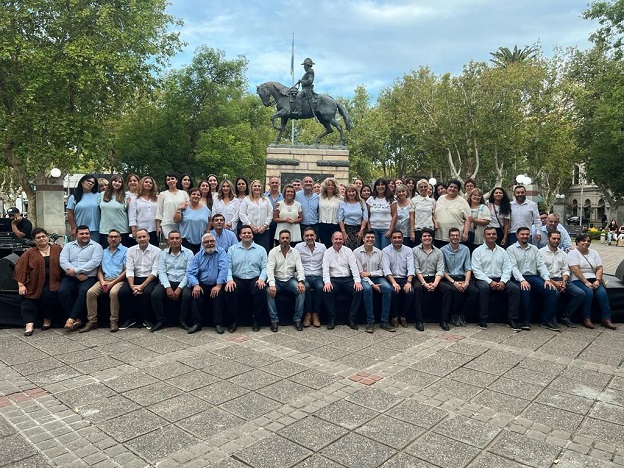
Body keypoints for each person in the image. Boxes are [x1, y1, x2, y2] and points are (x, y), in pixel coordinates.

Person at [507, 227, 560, 331]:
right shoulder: (510, 249)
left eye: (527, 234)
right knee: (525, 289)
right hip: (518, 277)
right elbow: (513, 267)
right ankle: (525, 320)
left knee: (551, 290)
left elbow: (541, 265)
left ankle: (547, 320)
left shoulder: (534, 249)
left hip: (534, 277)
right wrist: (522, 280)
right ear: (517, 236)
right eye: (522, 234)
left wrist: (547, 279)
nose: (525, 236)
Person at [13, 228, 62, 336]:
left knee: (49, 296)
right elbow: (20, 268)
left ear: (47, 237)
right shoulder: (29, 253)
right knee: (28, 299)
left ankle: (47, 319)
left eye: (43, 236)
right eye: (38, 237)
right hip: (33, 282)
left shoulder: (57, 249)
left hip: (53, 282)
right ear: (34, 240)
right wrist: (21, 285)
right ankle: (29, 325)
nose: (42, 239)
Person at [472, 226, 521, 330]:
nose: (491, 236)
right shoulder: (477, 251)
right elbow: (477, 271)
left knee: (515, 289)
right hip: (484, 279)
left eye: (493, 234)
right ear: (484, 236)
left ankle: (512, 319)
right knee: (484, 288)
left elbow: (507, 268)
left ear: (497, 236)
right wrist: (490, 282)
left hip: (500, 278)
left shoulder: (502, 251)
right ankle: (483, 319)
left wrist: (503, 281)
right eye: (489, 234)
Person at [82, 229, 128, 333]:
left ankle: (114, 321)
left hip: (119, 280)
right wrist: (102, 281)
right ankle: (92, 321)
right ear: (107, 239)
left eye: (116, 237)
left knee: (113, 293)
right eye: (111, 237)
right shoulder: (103, 252)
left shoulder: (126, 251)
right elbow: (99, 269)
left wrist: (112, 283)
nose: (113, 239)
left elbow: (126, 270)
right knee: (91, 293)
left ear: (120, 239)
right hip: (104, 279)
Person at [568, 233, 617, 330]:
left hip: (594, 278)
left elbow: (599, 268)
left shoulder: (594, 253)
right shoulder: (573, 253)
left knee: (602, 294)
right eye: (583, 240)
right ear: (577, 242)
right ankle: (587, 318)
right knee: (588, 292)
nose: (586, 242)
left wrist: (598, 280)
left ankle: (606, 319)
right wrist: (586, 282)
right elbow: (575, 269)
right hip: (578, 279)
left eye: (588, 241)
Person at [59, 226, 103, 330]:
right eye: (82, 234)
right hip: (71, 276)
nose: (85, 236)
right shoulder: (69, 246)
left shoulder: (96, 246)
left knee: (84, 291)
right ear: (76, 235)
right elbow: (63, 261)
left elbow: (94, 263)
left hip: (88, 277)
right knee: (62, 292)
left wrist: (76, 271)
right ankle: (77, 319)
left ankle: (71, 319)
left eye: (87, 233)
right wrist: (76, 274)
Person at [224, 226, 268, 331]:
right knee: (230, 290)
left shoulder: (261, 249)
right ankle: (234, 320)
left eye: (249, 233)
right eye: (244, 233)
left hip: (254, 278)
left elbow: (265, 267)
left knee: (261, 290)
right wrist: (229, 280)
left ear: (252, 235)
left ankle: (256, 320)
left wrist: (261, 279)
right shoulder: (232, 249)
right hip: (237, 278)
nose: (247, 235)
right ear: (240, 236)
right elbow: (228, 267)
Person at [538, 231, 585, 328]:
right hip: (546, 279)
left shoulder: (563, 254)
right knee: (554, 293)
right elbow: (539, 271)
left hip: (561, 279)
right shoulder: (540, 252)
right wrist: (554, 283)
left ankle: (565, 316)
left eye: (558, 239)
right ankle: (548, 319)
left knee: (580, 294)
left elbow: (566, 270)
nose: (556, 241)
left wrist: (563, 282)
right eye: (554, 238)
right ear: (548, 239)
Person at [151, 230, 194, 332]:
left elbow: (189, 273)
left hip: (183, 281)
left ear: (181, 240)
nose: (175, 240)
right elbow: (161, 272)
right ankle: (161, 320)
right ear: (168, 241)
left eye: (177, 238)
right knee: (155, 295)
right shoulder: (163, 254)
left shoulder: (189, 253)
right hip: (168, 280)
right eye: (172, 238)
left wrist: (179, 288)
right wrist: (167, 287)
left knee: (187, 295)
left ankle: (182, 320)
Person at [184, 232, 228, 334]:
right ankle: (197, 323)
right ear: (202, 244)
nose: (209, 243)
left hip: (217, 283)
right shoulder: (198, 255)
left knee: (218, 295)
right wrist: (195, 285)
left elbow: (224, 269)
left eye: (212, 241)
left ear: (215, 242)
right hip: (202, 283)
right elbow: (190, 272)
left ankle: (218, 323)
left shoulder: (221, 252)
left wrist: (218, 285)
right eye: (206, 242)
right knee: (196, 294)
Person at [118, 228, 160, 329]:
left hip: (150, 278)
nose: (142, 239)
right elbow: (129, 269)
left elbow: (155, 271)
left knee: (147, 292)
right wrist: (132, 286)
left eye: (144, 236)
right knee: (123, 292)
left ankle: (146, 319)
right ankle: (129, 319)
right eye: (139, 237)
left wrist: (142, 286)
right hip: (134, 277)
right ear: (136, 239)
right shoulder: (130, 250)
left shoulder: (157, 251)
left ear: (149, 237)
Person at [413, 228, 452, 331]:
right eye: (424, 236)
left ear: (432, 237)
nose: (427, 238)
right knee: (417, 288)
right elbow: (416, 269)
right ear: (420, 238)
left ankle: (444, 320)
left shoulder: (438, 252)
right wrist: (424, 283)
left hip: (434, 277)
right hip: (420, 278)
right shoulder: (414, 250)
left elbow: (440, 270)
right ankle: (419, 320)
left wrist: (435, 284)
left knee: (448, 289)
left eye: (429, 236)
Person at [322, 231, 363, 330]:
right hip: (334, 280)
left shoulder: (348, 251)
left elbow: (354, 267)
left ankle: (351, 319)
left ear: (343, 240)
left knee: (359, 290)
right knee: (327, 290)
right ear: (332, 240)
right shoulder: (327, 252)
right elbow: (325, 269)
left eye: (340, 239)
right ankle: (331, 318)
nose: (338, 241)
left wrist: (357, 281)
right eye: (336, 239)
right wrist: (327, 282)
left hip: (347, 279)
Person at [267, 230, 306, 331]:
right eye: (283, 238)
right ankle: (274, 321)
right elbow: (270, 269)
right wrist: (272, 284)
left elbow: (300, 268)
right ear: (279, 239)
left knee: (301, 290)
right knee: (268, 291)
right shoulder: (273, 252)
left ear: (290, 239)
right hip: (277, 280)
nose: (285, 240)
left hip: (290, 280)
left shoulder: (295, 252)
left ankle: (297, 319)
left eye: (287, 238)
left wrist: (301, 281)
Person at [354, 231, 392, 333]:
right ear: (363, 239)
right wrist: (372, 284)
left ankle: (384, 321)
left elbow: (382, 270)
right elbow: (360, 273)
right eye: (368, 237)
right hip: (363, 279)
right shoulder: (356, 252)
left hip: (377, 277)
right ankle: (370, 322)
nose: (370, 239)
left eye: (372, 237)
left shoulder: (379, 252)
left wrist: (370, 273)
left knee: (388, 288)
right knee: (367, 289)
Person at [440, 227, 479, 327]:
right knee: (454, 290)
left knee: (475, 292)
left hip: (463, 277)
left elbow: (468, 268)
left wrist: (466, 282)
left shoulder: (465, 249)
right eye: (452, 235)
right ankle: (454, 316)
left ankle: (462, 314)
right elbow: (442, 270)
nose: (455, 237)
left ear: (460, 237)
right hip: (449, 278)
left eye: (457, 235)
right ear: (449, 237)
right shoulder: (443, 250)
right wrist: (454, 283)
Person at [382, 230, 415, 332]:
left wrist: (408, 282)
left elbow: (411, 268)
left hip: (404, 278)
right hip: (391, 278)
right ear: (391, 239)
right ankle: (394, 316)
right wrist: (394, 283)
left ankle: (403, 316)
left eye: (399, 237)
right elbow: (386, 269)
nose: (397, 239)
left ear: (403, 239)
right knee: (393, 290)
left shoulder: (408, 250)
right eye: (394, 238)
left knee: (410, 292)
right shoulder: (386, 250)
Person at [294, 226, 326, 327]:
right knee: (306, 287)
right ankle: (307, 314)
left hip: (318, 275)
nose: (309, 237)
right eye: (307, 236)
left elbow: (325, 263)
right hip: (305, 275)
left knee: (320, 287)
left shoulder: (322, 247)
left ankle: (315, 314)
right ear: (303, 237)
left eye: (311, 235)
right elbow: (295, 263)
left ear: (315, 236)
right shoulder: (298, 247)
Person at [434, 179, 471, 248]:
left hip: (455, 237)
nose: (452, 189)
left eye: (455, 187)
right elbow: (433, 213)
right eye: (451, 187)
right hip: (439, 236)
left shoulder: (462, 202)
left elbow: (468, 219)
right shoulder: (440, 198)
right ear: (447, 188)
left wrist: (465, 233)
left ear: (458, 190)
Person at [239, 180, 273, 252]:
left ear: (261, 188)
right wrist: (252, 226)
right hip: (249, 231)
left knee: (263, 251)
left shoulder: (266, 200)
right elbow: (242, 214)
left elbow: (270, 214)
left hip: (264, 231)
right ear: (251, 188)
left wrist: (265, 226)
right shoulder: (246, 199)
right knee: (249, 251)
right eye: (255, 186)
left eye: (259, 186)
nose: (257, 187)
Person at [98, 174, 131, 248]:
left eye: (120, 182)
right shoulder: (101, 195)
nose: (117, 183)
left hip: (122, 230)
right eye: (115, 181)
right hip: (105, 230)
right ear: (111, 182)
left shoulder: (126, 196)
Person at [174, 187, 211, 253]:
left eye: (198, 195)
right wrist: (179, 209)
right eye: (193, 194)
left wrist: (207, 230)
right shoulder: (184, 208)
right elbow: (176, 220)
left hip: (202, 241)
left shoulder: (206, 209)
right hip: (185, 240)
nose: (196, 196)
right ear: (189, 196)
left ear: (200, 197)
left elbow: (210, 221)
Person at [67, 174, 100, 242]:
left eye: (92, 182)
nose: (90, 183)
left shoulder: (99, 196)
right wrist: (73, 228)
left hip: (96, 230)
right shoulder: (74, 197)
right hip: (80, 230)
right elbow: (70, 213)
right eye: (88, 181)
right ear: (82, 182)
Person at [156, 173, 189, 239]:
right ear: (166, 182)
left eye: (172, 179)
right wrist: (158, 227)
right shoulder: (163, 194)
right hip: (167, 223)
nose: (171, 181)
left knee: (180, 242)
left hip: (181, 223)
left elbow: (188, 207)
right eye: (168, 179)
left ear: (176, 180)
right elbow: (159, 211)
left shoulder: (184, 193)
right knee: (170, 242)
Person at [129, 176, 159, 246]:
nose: (148, 184)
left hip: (154, 229)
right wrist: (133, 230)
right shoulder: (134, 198)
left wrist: (158, 227)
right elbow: (132, 215)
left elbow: (159, 213)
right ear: (142, 183)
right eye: (146, 182)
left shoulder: (157, 198)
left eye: (150, 183)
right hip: (140, 230)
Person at [367, 178, 397, 249]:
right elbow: (367, 215)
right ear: (375, 187)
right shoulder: (371, 199)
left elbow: (395, 215)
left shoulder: (391, 199)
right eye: (378, 185)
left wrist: (390, 230)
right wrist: (369, 228)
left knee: (385, 250)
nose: (380, 186)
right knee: (375, 251)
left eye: (382, 185)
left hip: (386, 229)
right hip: (373, 229)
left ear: (386, 186)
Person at [338, 184, 368, 251]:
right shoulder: (343, 203)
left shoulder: (361, 202)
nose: (351, 193)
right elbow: (340, 219)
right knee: (347, 250)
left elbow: (365, 217)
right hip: (347, 229)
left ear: (356, 192)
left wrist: (361, 230)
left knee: (358, 250)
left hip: (359, 229)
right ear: (346, 193)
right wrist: (344, 233)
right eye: (349, 191)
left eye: (353, 191)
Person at [318, 177, 342, 247]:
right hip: (322, 225)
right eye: (328, 185)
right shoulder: (320, 197)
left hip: (334, 225)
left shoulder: (340, 198)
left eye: (332, 185)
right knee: (323, 245)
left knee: (334, 245)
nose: (330, 187)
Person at [411, 179, 435, 246]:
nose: (423, 188)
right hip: (418, 228)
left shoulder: (432, 201)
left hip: (429, 228)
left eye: (425, 186)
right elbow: (412, 217)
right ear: (418, 188)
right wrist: (412, 231)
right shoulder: (414, 200)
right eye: (421, 187)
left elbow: (433, 215)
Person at [265, 176, 283, 243]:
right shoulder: (263, 197)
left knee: (280, 244)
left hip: (280, 224)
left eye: (276, 183)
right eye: (272, 183)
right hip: (267, 224)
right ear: (269, 184)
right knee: (268, 244)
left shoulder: (284, 197)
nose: (274, 184)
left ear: (279, 184)